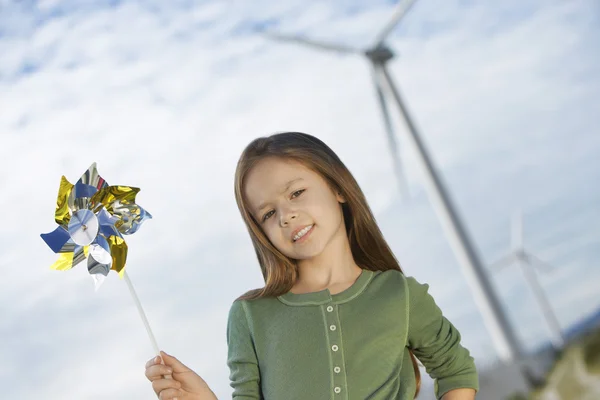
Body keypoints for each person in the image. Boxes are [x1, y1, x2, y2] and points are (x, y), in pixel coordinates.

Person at [145, 132, 479, 399]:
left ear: (337, 188)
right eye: (267, 214)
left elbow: (456, 370)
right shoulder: (250, 315)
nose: (286, 216)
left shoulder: (399, 294)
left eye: (296, 193)